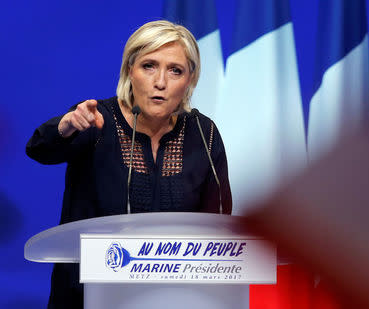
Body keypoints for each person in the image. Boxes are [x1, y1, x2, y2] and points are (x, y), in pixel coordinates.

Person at [26, 20, 232, 309]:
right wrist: (66, 125)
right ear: (129, 71)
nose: (160, 81)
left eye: (175, 70)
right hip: (89, 295)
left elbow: (218, 223)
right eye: (149, 66)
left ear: (190, 81)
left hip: (178, 297)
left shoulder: (203, 133)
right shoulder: (95, 119)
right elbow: (39, 149)